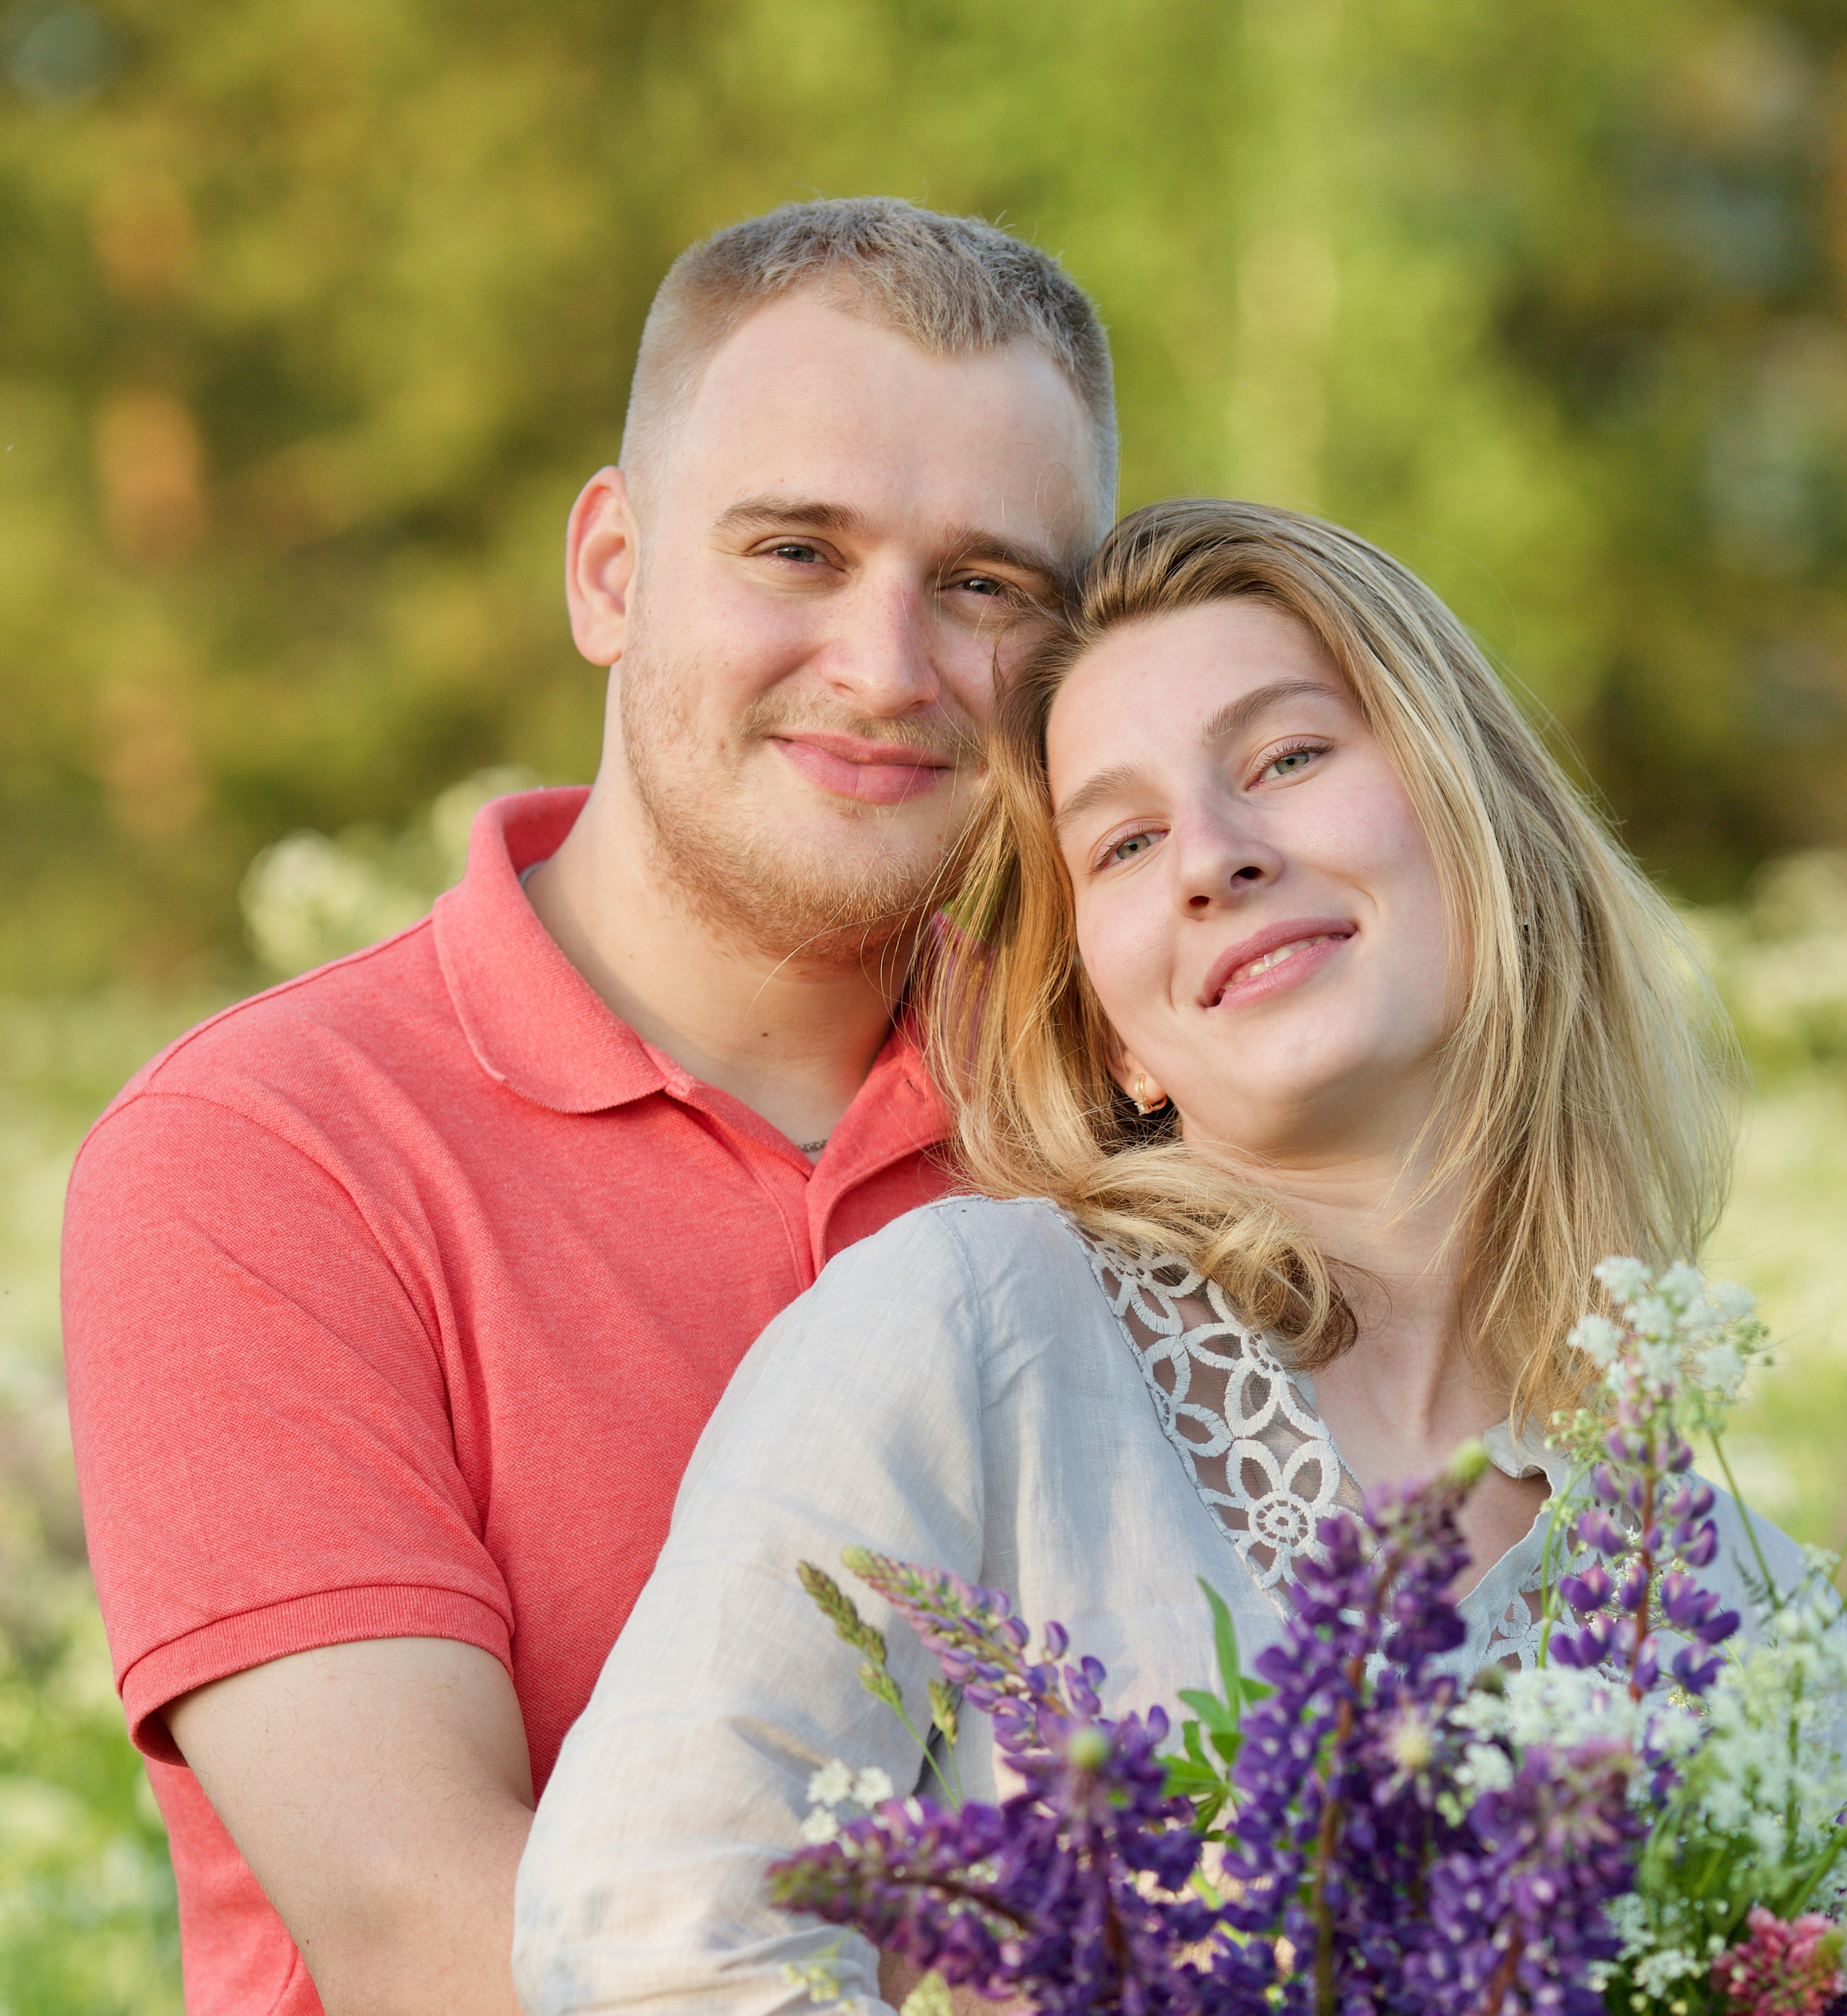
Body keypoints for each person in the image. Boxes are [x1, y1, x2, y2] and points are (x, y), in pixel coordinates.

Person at [512, 497, 1818, 2015]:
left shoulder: (1743, 1594)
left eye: (1288, 758)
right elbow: (642, 1932)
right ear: (1118, 1032)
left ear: (1482, 826)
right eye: (1125, 842)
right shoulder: (982, 1330)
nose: (1212, 857)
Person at [60, 198, 1116, 2016]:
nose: (884, 664)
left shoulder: (1142, 1110)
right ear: (610, 570)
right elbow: (439, 1932)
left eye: (985, 584)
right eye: (795, 547)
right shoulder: (264, 1152)